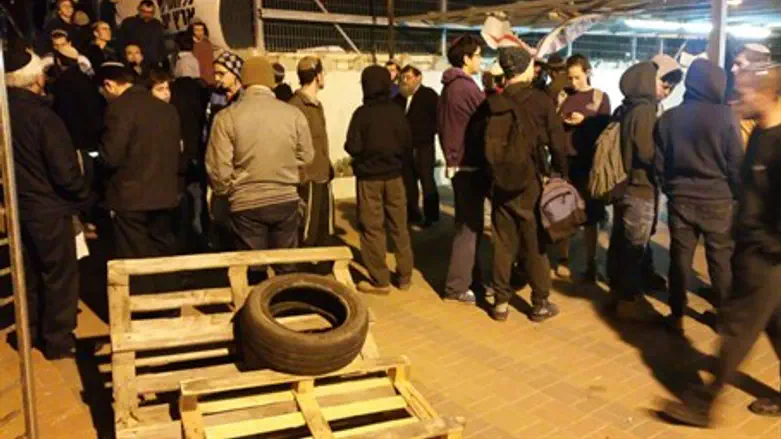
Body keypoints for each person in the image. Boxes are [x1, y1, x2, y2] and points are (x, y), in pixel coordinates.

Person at [662, 64, 781, 426]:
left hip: (767, 255)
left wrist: (767, 243)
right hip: (754, 248)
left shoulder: (778, 144)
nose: (737, 99)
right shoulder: (759, 134)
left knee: (737, 331)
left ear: (768, 95)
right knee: (775, 325)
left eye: (745, 92)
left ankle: (703, 404)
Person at [6, 48, 91, 360]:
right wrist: (83, 196)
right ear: (36, 78)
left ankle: (29, 332)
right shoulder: (43, 118)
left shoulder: (5, 114)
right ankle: (57, 340)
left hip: (20, 207)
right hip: (50, 209)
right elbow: (64, 171)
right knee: (59, 277)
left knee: (28, 274)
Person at [655, 59, 744, 335]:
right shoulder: (727, 118)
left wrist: (671, 190)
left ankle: (677, 313)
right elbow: (735, 164)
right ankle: (725, 319)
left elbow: (659, 164)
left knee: (680, 258)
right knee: (720, 261)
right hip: (718, 201)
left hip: (681, 199)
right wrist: (737, 196)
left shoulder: (669, 118)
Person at [481, 47, 570, 322]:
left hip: (499, 183)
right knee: (535, 243)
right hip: (530, 180)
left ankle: (500, 303)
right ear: (524, 68)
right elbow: (557, 142)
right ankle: (540, 303)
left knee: (503, 243)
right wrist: (560, 174)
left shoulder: (491, 103)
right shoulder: (541, 101)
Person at [206, 57, 314, 265]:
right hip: (286, 199)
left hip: (246, 203)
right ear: (271, 81)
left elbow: (219, 169)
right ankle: (286, 296)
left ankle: (257, 295)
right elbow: (307, 156)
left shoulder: (226, 117)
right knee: (287, 266)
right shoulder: (293, 114)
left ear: (243, 81)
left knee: (254, 268)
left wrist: (228, 190)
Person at [97, 62, 182, 266]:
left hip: (131, 197)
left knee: (135, 259)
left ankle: (141, 295)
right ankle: (168, 293)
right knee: (163, 254)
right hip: (165, 194)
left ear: (109, 85)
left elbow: (111, 156)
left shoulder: (119, 109)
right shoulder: (167, 110)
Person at [345, 65, 414, 295]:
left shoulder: (361, 114)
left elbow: (352, 146)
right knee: (400, 227)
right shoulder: (397, 112)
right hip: (395, 177)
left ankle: (380, 279)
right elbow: (407, 144)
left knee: (372, 227)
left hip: (369, 179)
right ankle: (404, 276)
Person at [605, 61, 661, 322]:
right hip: (640, 185)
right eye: (658, 79)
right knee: (634, 248)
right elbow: (646, 152)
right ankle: (629, 300)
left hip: (623, 184)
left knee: (621, 241)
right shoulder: (645, 111)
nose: (662, 85)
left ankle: (618, 292)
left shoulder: (625, 108)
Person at [438, 35, 486, 304]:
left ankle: (471, 279)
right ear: (466, 59)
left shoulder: (449, 86)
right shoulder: (465, 88)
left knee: (470, 225)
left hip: (459, 164)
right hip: (468, 166)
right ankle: (456, 286)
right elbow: (486, 116)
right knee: (468, 228)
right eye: (478, 55)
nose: (480, 60)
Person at [556, 54, 611, 281]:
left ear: (587, 72)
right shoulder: (562, 96)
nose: (573, 83)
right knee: (563, 212)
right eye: (570, 78)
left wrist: (585, 121)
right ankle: (563, 259)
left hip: (589, 163)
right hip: (565, 162)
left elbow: (606, 129)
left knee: (591, 215)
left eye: (577, 77)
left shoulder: (600, 98)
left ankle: (591, 262)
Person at [289, 57, 334, 249]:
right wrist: (302, 176)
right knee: (307, 233)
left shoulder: (317, 104)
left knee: (323, 231)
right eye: (322, 73)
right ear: (317, 75)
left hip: (322, 176)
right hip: (308, 180)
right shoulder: (295, 106)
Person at [204, 52, 244, 251]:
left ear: (236, 74)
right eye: (215, 73)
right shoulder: (215, 97)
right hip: (219, 170)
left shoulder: (243, 101)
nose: (217, 78)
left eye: (221, 73)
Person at [394, 65, 440, 227]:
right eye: (403, 78)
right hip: (405, 148)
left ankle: (431, 216)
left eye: (408, 77)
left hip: (424, 146)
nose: (405, 81)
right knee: (409, 182)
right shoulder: (399, 98)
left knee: (427, 181)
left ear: (419, 77)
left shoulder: (429, 95)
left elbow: (438, 118)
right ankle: (412, 213)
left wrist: (429, 132)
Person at [45, 49, 104, 154]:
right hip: (90, 141)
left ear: (58, 61)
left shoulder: (58, 85)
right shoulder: (88, 82)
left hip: (69, 142)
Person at [731, 44, 772, 147]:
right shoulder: (736, 102)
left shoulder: (771, 106)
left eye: (739, 64)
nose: (733, 69)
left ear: (758, 68)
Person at [118, 0, 166, 68]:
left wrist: (161, 61)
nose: (147, 15)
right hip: (134, 64)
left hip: (154, 64)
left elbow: (161, 45)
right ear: (138, 9)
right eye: (144, 12)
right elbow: (120, 44)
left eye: (150, 12)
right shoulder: (128, 23)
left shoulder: (157, 24)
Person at [189, 20, 216, 86]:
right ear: (192, 31)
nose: (199, 32)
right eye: (197, 30)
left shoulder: (207, 42)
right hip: (200, 78)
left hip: (211, 76)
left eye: (201, 30)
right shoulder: (191, 45)